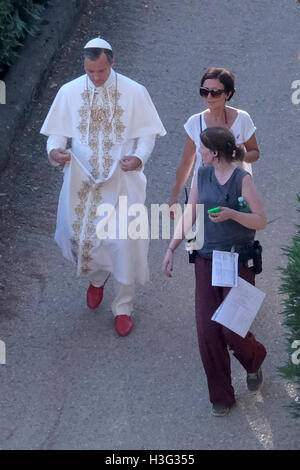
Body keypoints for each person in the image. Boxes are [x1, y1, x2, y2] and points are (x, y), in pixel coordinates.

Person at [40, 37, 166, 336]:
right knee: (85, 238)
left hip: (122, 181)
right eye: (89, 71)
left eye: (101, 71)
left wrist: (138, 158)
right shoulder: (69, 92)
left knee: (123, 243)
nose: (95, 78)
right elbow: (56, 135)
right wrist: (54, 152)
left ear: (111, 62)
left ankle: (123, 307)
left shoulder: (135, 92)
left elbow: (146, 135)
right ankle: (97, 279)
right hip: (82, 181)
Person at [163, 126, 267, 417]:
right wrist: (171, 248)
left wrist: (233, 214)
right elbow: (190, 213)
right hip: (207, 261)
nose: (200, 152)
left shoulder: (242, 180)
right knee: (208, 331)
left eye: (203, 148)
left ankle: (255, 358)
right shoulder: (202, 175)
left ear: (216, 152)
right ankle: (221, 396)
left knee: (233, 329)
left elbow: (261, 220)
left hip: (237, 261)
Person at [169, 67, 260, 213]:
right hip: (203, 192)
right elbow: (186, 162)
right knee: (201, 234)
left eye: (215, 92)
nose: (209, 97)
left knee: (235, 233)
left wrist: (239, 155)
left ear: (228, 94)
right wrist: (174, 197)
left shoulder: (242, 119)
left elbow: (255, 153)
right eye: (204, 92)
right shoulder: (195, 122)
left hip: (236, 192)